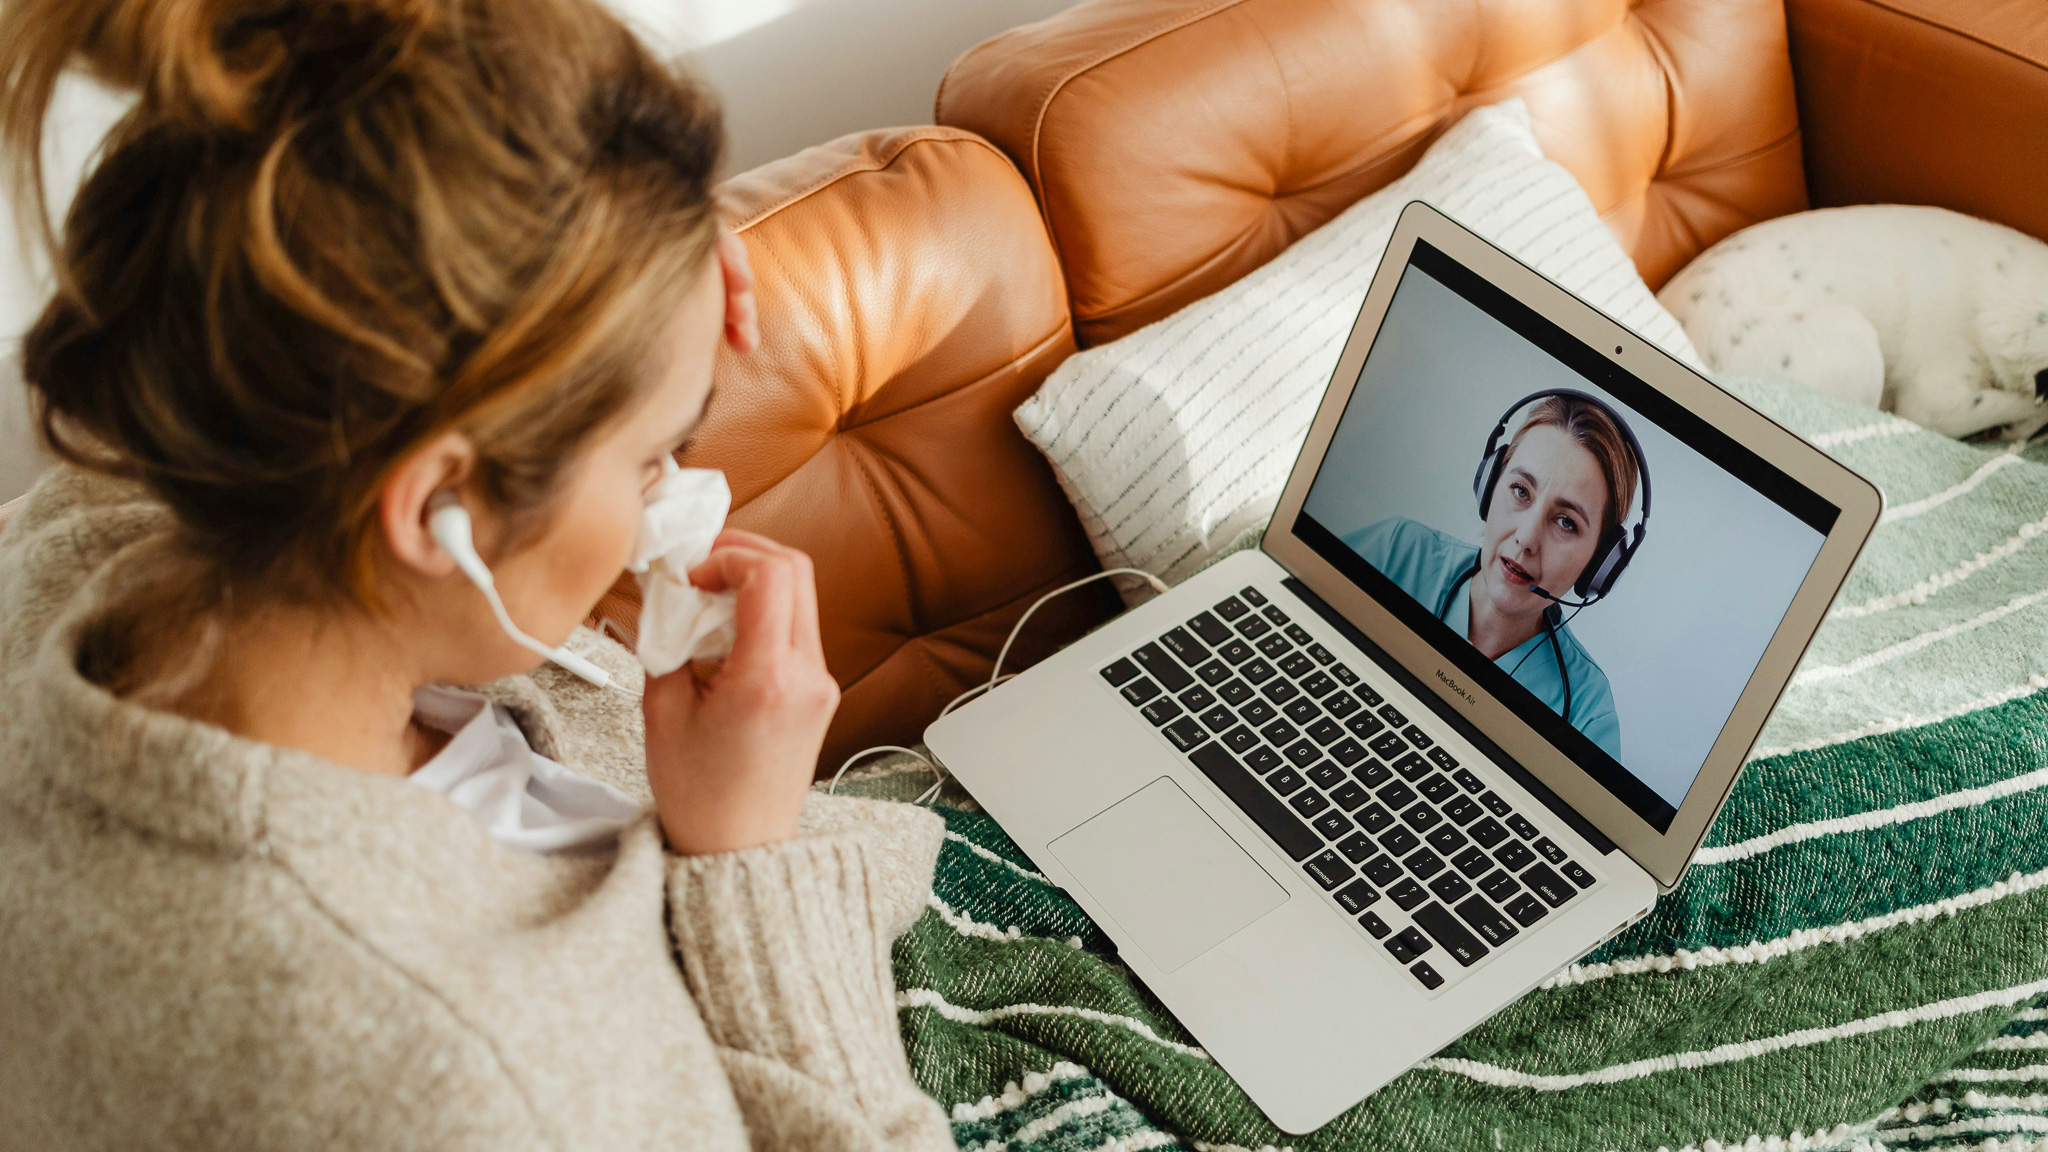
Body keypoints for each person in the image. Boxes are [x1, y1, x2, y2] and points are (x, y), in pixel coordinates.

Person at [0, 0, 956, 1147]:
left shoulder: (104, 539)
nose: (668, 502)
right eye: (655, 456)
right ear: (435, 510)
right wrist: (744, 860)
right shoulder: (476, 1076)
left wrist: (623, 249)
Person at [1343, 395, 1639, 759]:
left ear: (1598, 565)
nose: (1526, 538)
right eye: (1520, 491)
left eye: (1566, 522)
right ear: (1490, 485)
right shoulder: (1395, 552)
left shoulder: (1588, 713)